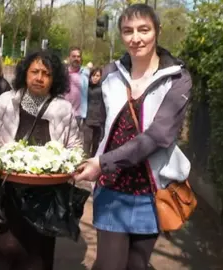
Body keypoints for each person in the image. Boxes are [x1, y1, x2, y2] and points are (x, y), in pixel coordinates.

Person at [74, 4, 192, 270]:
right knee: (109, 265)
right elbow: (104, 125)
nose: (135, 38)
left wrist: (101, 162)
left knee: (137, 266)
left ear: (157, 31)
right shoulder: (110, 74)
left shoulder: (178, 78)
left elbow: (160, 135)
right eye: (128, 31)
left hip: (152, 191)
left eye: (144, 30)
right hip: (112, 186)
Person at [0, 50, 82, 270]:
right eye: (34, 72)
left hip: (46, 198)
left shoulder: (63, 109)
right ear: (25, 73)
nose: (39, 78)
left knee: (39, 256)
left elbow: (75, 147)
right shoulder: (5, 101)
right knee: (6, 250)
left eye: (46, 73)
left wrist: (65, 163)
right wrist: (1, 158)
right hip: (10, 190)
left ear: (54, 78)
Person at [63, 46, 89, 127]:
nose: (76, 58)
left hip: (79, 116)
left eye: (78, 56)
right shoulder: (63, 73)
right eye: (73, 56)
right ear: (69, 58)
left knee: (78, 139)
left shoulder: (86, 73)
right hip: (63, 113)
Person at [83, 67, 105, 157]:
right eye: (93, 75)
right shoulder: (86, 86)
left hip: (99, 118)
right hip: (88, 117)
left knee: (96, 143)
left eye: (97, 76)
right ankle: (84, 160)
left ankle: (93, 160)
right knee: (87, 142)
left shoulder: (103, 88)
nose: (95, 77)